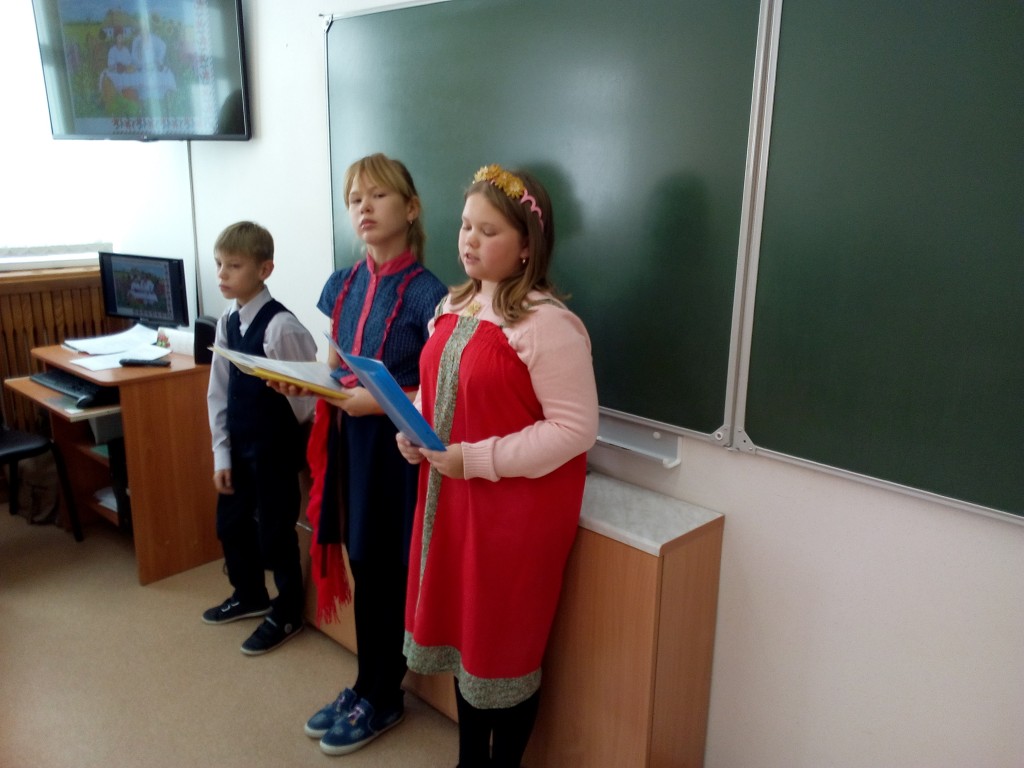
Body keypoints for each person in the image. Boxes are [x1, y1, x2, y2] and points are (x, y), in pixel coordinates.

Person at [396, 164, 599, 768]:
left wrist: (474, 458)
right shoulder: (452, 304)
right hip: (453, 502)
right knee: (469, 648)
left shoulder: (547, 323)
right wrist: (414, 432)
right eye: (466, 226)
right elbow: (438, 392)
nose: (469, 241)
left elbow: (574, 429)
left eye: (488, 231)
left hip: (513, 517)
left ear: (526, 246)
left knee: (502, 654)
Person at [292, 153, 447, 756]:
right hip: (348, 443)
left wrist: (375, 404)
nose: (364, 207)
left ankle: (386, 694)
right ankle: (365, 683)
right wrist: (299, 383)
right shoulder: (342, 283)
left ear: (410, 209)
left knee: (388, 568)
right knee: (362, 559)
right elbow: (334, 369)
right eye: (355, 198)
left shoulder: (432, 295)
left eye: (378, 196)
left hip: (397, 450)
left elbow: (437, 390)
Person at [202, 221, 317, 656]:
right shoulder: (228, 321)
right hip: (239, 448)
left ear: (264, 269)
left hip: (274, 452)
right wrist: (221, 454)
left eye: (234, 265)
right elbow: (218, 391)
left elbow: (307, 400)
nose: (222, 274)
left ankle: (288, 610)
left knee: (274, 533)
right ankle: (249, 594)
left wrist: (288, 445)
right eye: (219, 264)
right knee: (231, 525)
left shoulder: (280, 327)